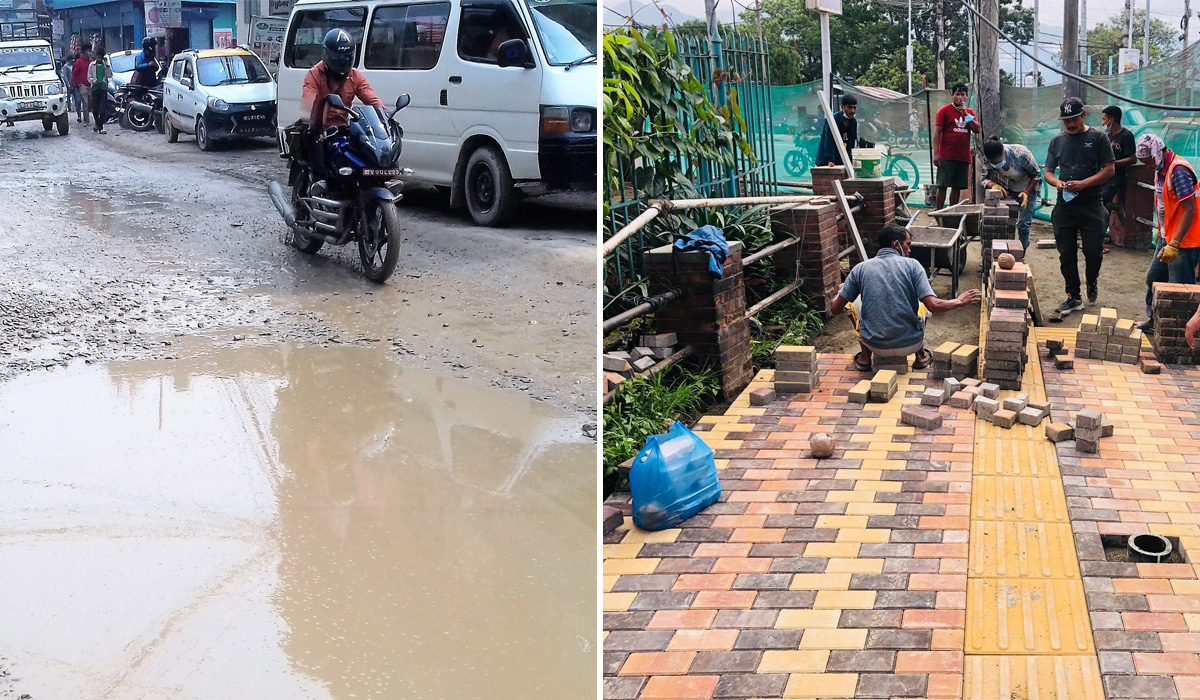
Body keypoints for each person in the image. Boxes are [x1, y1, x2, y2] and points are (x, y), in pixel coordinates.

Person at [830, 223, 983, 371]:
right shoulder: (913, 266)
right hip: (910, 343)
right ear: (896, 244)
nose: (909, 250)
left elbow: (835, 309)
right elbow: (934, 305)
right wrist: (959, 301)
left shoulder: (860, 269)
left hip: (874, 344)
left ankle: (864, 358)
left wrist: (837, 294)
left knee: (853, 304)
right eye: (907, 244)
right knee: (922, 303)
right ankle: (921, 356)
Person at [1044, 97, 1115, 315]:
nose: (1070, 124)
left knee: (1093, 252)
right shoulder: (1057, 141)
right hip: (1065, 205)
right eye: (1066, 121)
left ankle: (1092, 280)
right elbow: (1048, 171)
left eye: (1074, 119)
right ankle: (1073, 296)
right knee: (1066, 253)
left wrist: (1083, 184)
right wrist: (1057, 183)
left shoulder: (1098, 138)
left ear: (1083, 115)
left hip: (1092, 204)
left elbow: (1110, 169)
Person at [1137, 133, 1200, 332]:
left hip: (1184, 242)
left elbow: (1190, 209)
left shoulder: (1178, 171)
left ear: (1158, 153)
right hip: (1168, 236)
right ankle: (1154, 321)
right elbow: (1165, 204)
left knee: (1179, 289)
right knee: (1154, 278)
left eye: (1148, 162)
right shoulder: (1161, 167)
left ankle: (1182, 332)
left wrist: (1175, 243)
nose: (1147, 167)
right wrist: (1162, 230)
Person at [300, 29, 384, 178]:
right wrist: (308, 120)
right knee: (320, 170)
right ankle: (319, 187)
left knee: (362, 159)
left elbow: (372, 99)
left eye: (345, 58)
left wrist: (386, 117)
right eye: (337, 58)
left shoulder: (355, 76)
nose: (341, 62)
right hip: (319, 130)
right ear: (326, 55)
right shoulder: (314, 75)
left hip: (342, 129)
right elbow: (308, 102)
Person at [981, 136, 1042, 250]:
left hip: (1027, 187)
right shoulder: (986, 158)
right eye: (993, 163)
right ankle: (1001, 252)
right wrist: (993, 185)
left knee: (1023, 224)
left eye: (999, 162)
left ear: (1004, 152)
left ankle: (1021, 255)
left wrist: (1027, 192)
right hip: (1007, 188)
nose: (996, 165)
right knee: (1004, 222)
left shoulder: (1021, 154)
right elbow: (983, 178)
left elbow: (1037, 175)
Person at [933, 84, 981, 209]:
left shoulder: (969, 112)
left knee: (957, 187)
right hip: (947, 156)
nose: (960, 97)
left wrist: (965, 113)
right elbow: (937, 133)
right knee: (942, 186)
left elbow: (977, 129)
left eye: (963, 94)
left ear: (966, 96)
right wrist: (936, 154)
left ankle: (951, 213)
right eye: (957, 94)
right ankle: (938, 214)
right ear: (953, 95)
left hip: (963, 157)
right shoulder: (944, 111)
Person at [1101, 105, 1137, 223]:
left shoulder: (1126, 136)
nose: (1102, 123)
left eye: (1104, 119)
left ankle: (1102, 231)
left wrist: (1114, 163)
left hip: (1117, 178)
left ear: (1111, 120)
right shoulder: (1108, 136)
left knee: (1102, 202)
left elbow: (1132, 159)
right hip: (1106, 176)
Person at [816, 94, 858, 167]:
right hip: (826, 160)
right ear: (842, 107)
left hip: (841, 160)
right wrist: (831, 160)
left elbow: (851, 142)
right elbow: (829, 141)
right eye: (849, 107)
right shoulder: (832, 120)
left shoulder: (853, 122)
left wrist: (850, 159)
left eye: (854, 108)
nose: (852, 111)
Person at [87, 47, 108, 133]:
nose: (99, 59)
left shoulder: (105, 65)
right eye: (98, 57)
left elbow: (110, 75)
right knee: (95, 109)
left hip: (103, 89)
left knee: (103, 109)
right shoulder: (92, 65)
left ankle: (100, 126)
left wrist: (107, 66)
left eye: (101, 57)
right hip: (95, 89)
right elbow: (89, 77)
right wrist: (94, 81)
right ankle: (98, 124)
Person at [71, 43, 92, 125]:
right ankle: (86, 120)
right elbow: (74, 74)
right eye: (88, 50)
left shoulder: (91, 62)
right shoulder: (78, 63)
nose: (89, 52)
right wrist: (77, 84)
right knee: (85, 103)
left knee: (90, 102)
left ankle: (87, 117)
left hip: (91, 84)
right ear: (84, 51)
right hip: (82, 85)